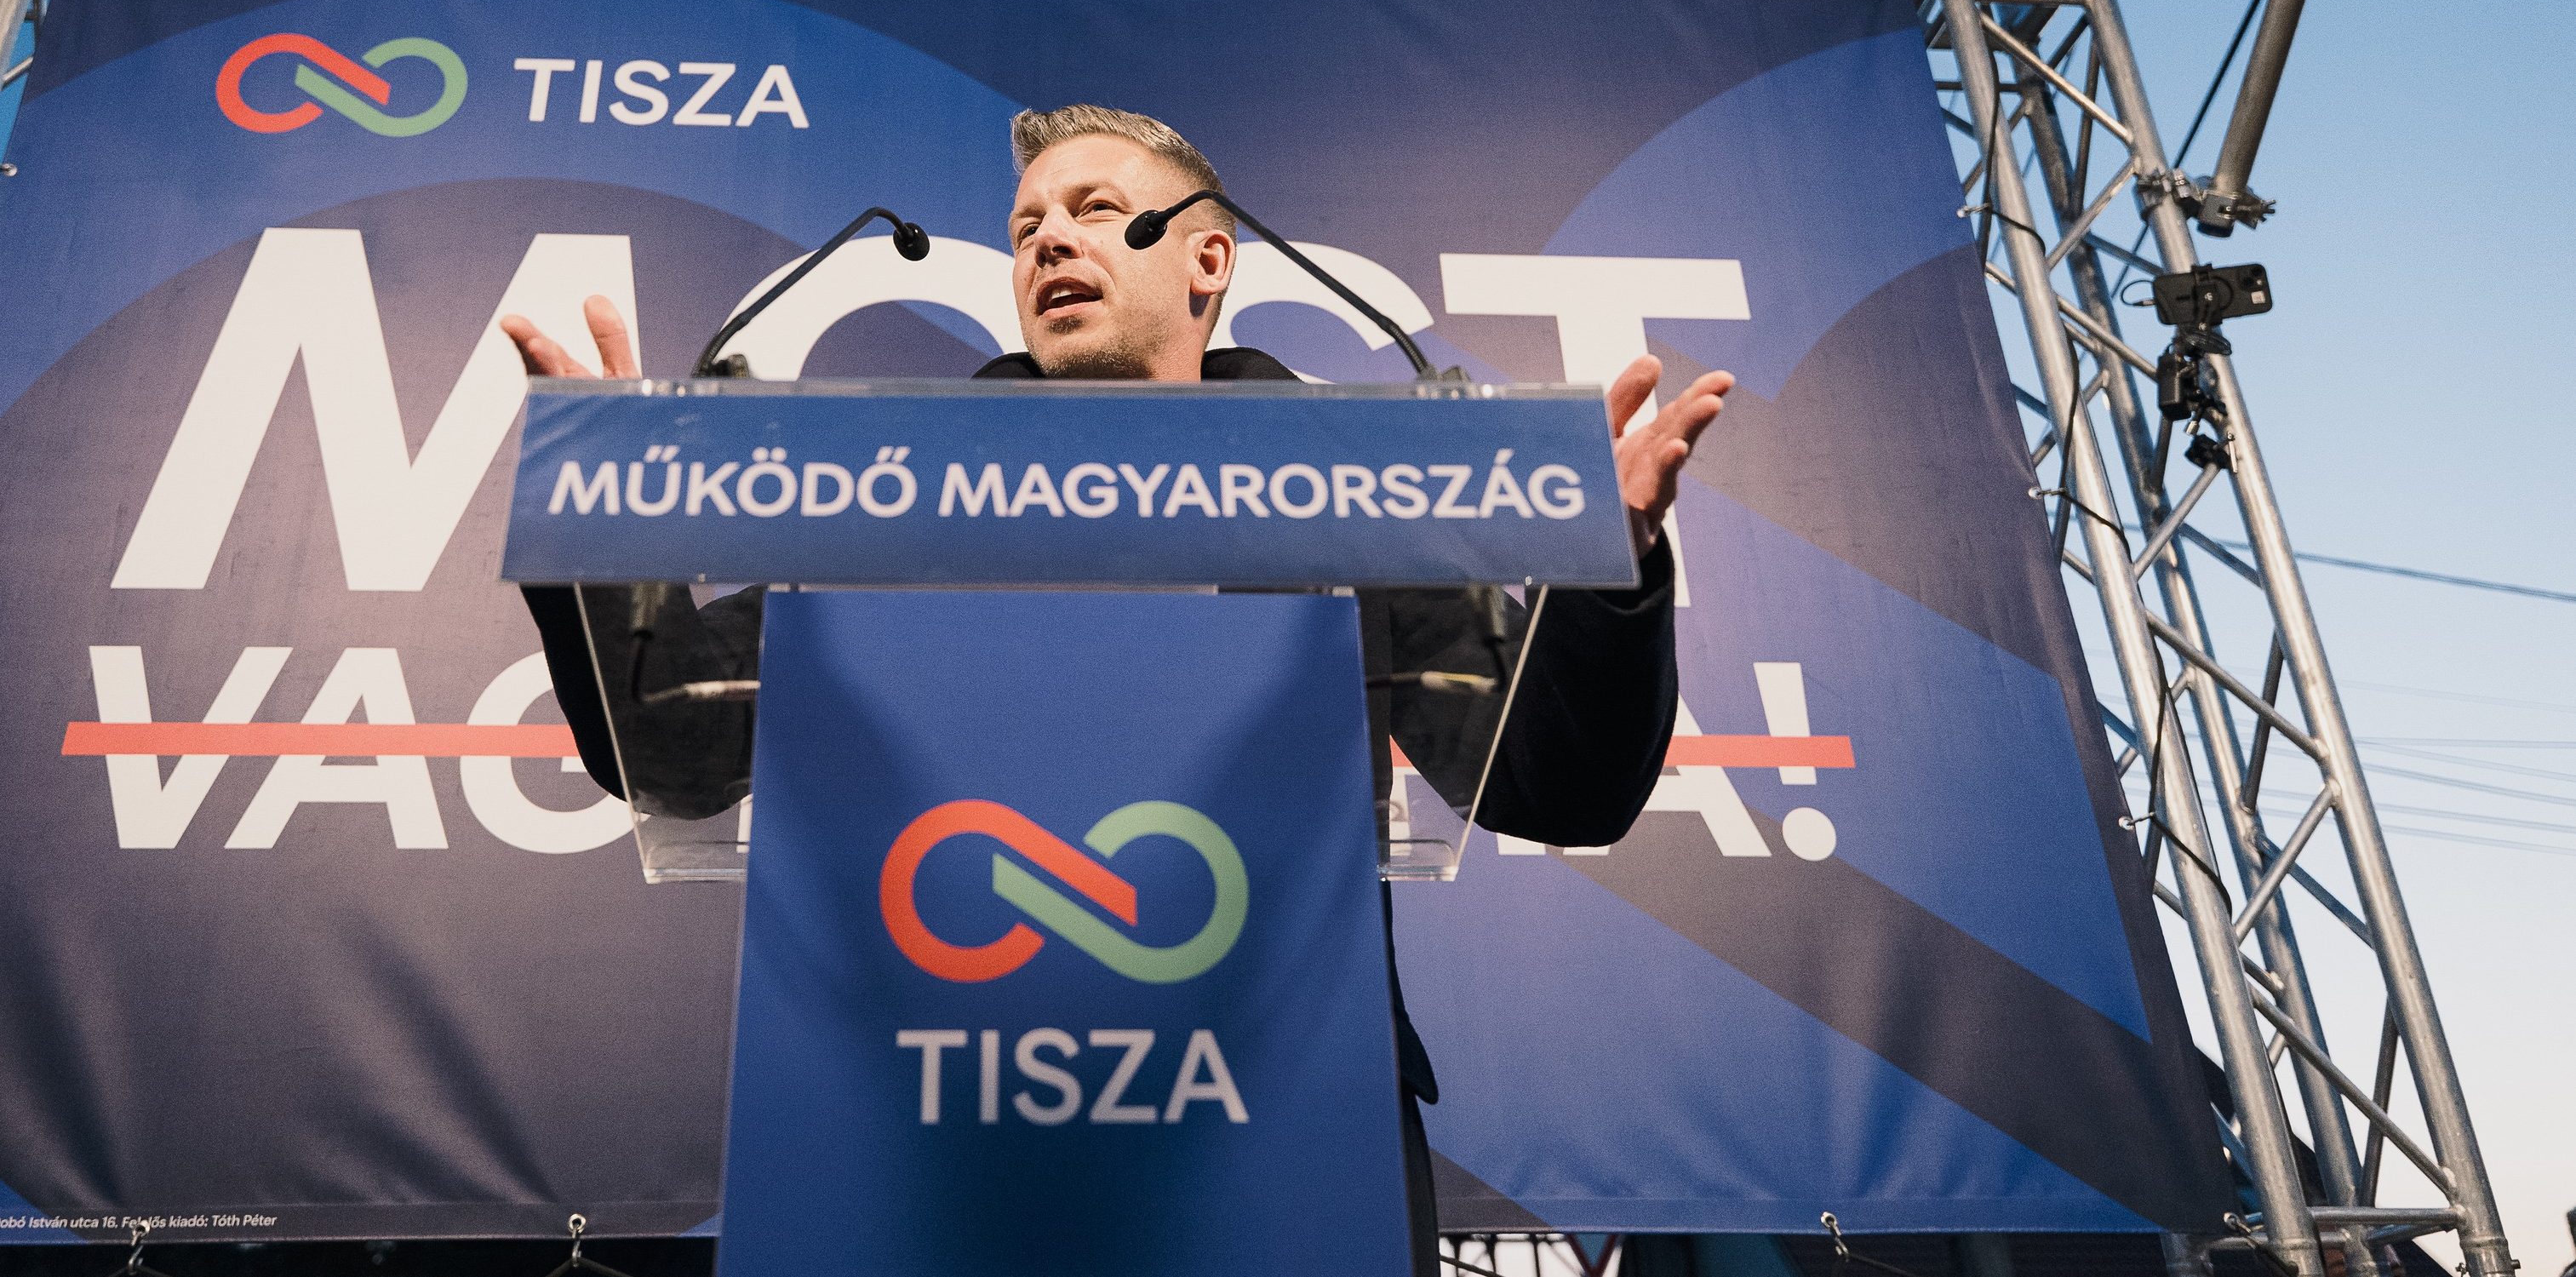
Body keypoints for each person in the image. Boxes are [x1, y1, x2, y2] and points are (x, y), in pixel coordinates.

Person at [503, 105, 1734, 1274]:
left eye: (1094, 209)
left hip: (1290, 1107)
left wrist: (1607, 574)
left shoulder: (1353, 489)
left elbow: (1551, 786)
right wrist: (603, 531)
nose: (1049, 240)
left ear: (1209, 259)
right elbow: (677, 754)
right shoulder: (904, 489)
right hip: (936, 1109)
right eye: (1028, 225)